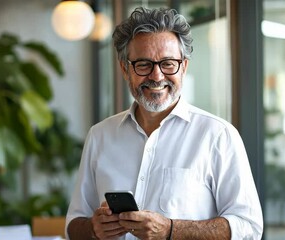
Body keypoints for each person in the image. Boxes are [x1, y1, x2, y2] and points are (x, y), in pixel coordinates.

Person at [66, 6, 263, 240]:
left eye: (168, 63)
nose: (157, 76)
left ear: (184, 66)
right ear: (124, 69)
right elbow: (73, 225)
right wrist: (93, 229)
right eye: (143, 64)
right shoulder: (100, 135)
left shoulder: (218, 135)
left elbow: (248, 227)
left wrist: (171, 230)